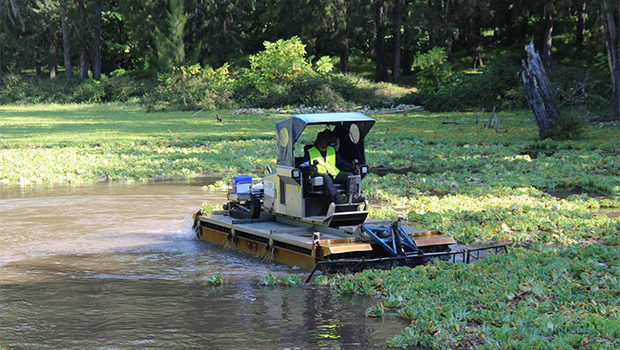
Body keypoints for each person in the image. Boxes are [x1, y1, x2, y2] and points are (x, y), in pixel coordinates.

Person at [298, 130, 366, 204]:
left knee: (349, 175)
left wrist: (352, 166)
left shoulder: (331, 150)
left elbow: (341, 162)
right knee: (326, 177)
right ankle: (337, 198)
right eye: (322, 142)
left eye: (326, 143)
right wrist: (309, 167)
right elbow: (301, 166)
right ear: (317, 142)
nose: (324, 145)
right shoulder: (310, 152)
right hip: (319, 174)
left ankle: (354, 196)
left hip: (334, 174)